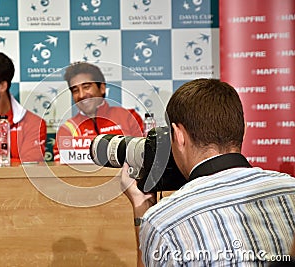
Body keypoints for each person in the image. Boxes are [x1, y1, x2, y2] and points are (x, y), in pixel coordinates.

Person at [121, 78, 295, 266]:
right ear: (244, 130)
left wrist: (142, 208)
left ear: (178, 135)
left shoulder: (163, 221)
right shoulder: (291, 189)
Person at [53, 61, 143, 162]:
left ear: (102, 88)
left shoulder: (129, 117)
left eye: (86, 87)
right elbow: (62, 171)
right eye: (75, 90)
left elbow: (143, 158)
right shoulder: (67, 130)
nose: (81, 95)